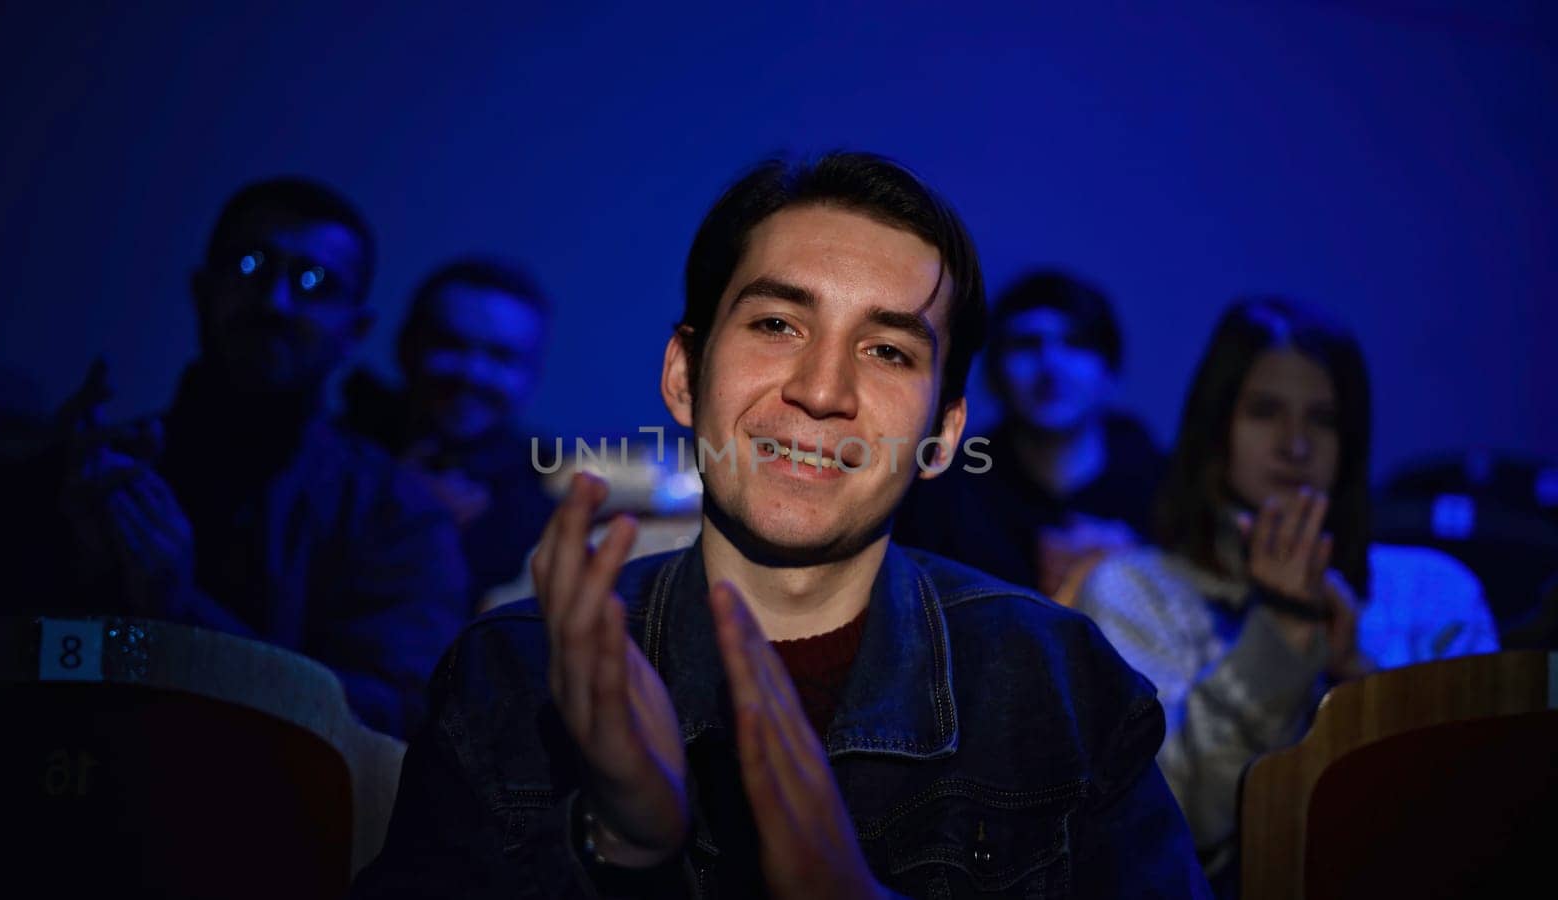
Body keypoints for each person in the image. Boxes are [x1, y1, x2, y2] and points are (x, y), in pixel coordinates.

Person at [353, 153, 1208, 898]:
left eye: (887, 351)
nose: (822, 389)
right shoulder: (510, 675)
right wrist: (619, 847)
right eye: (776, 324)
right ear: (685, 374)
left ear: (944, 435)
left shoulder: (1061, 688)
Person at [0, 178, 469, 739]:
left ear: (356, 329)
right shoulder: (93, 477)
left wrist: (184, 614)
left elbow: (392, 726)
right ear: (203, 290)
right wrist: (61, 555)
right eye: (250, 265)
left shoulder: (395, 516)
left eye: (313, 282)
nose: (275, 302)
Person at [1074, 298, 1499, 895]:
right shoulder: (1135, 591)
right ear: (1216, 426)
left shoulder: (1435, 592)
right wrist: (1278, 635)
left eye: (1323, 419)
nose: (1295, 445)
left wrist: (1357, 680)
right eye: (1265, 411)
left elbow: (1490, 817)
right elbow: (1166, 827)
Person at [894, 271, 1165, 598]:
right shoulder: (947, 489)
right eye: (1027, 345)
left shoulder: (1168, 486)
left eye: (1075, 343)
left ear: (1110, 371)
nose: (1051, 366)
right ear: (994, 373)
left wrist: (1136, 565)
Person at [343, 258, 555, 606]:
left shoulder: (549, 485)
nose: (472, 373)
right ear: (406, 347)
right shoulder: (325, 464)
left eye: (501, 356)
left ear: (532, 374)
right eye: (451, 345)